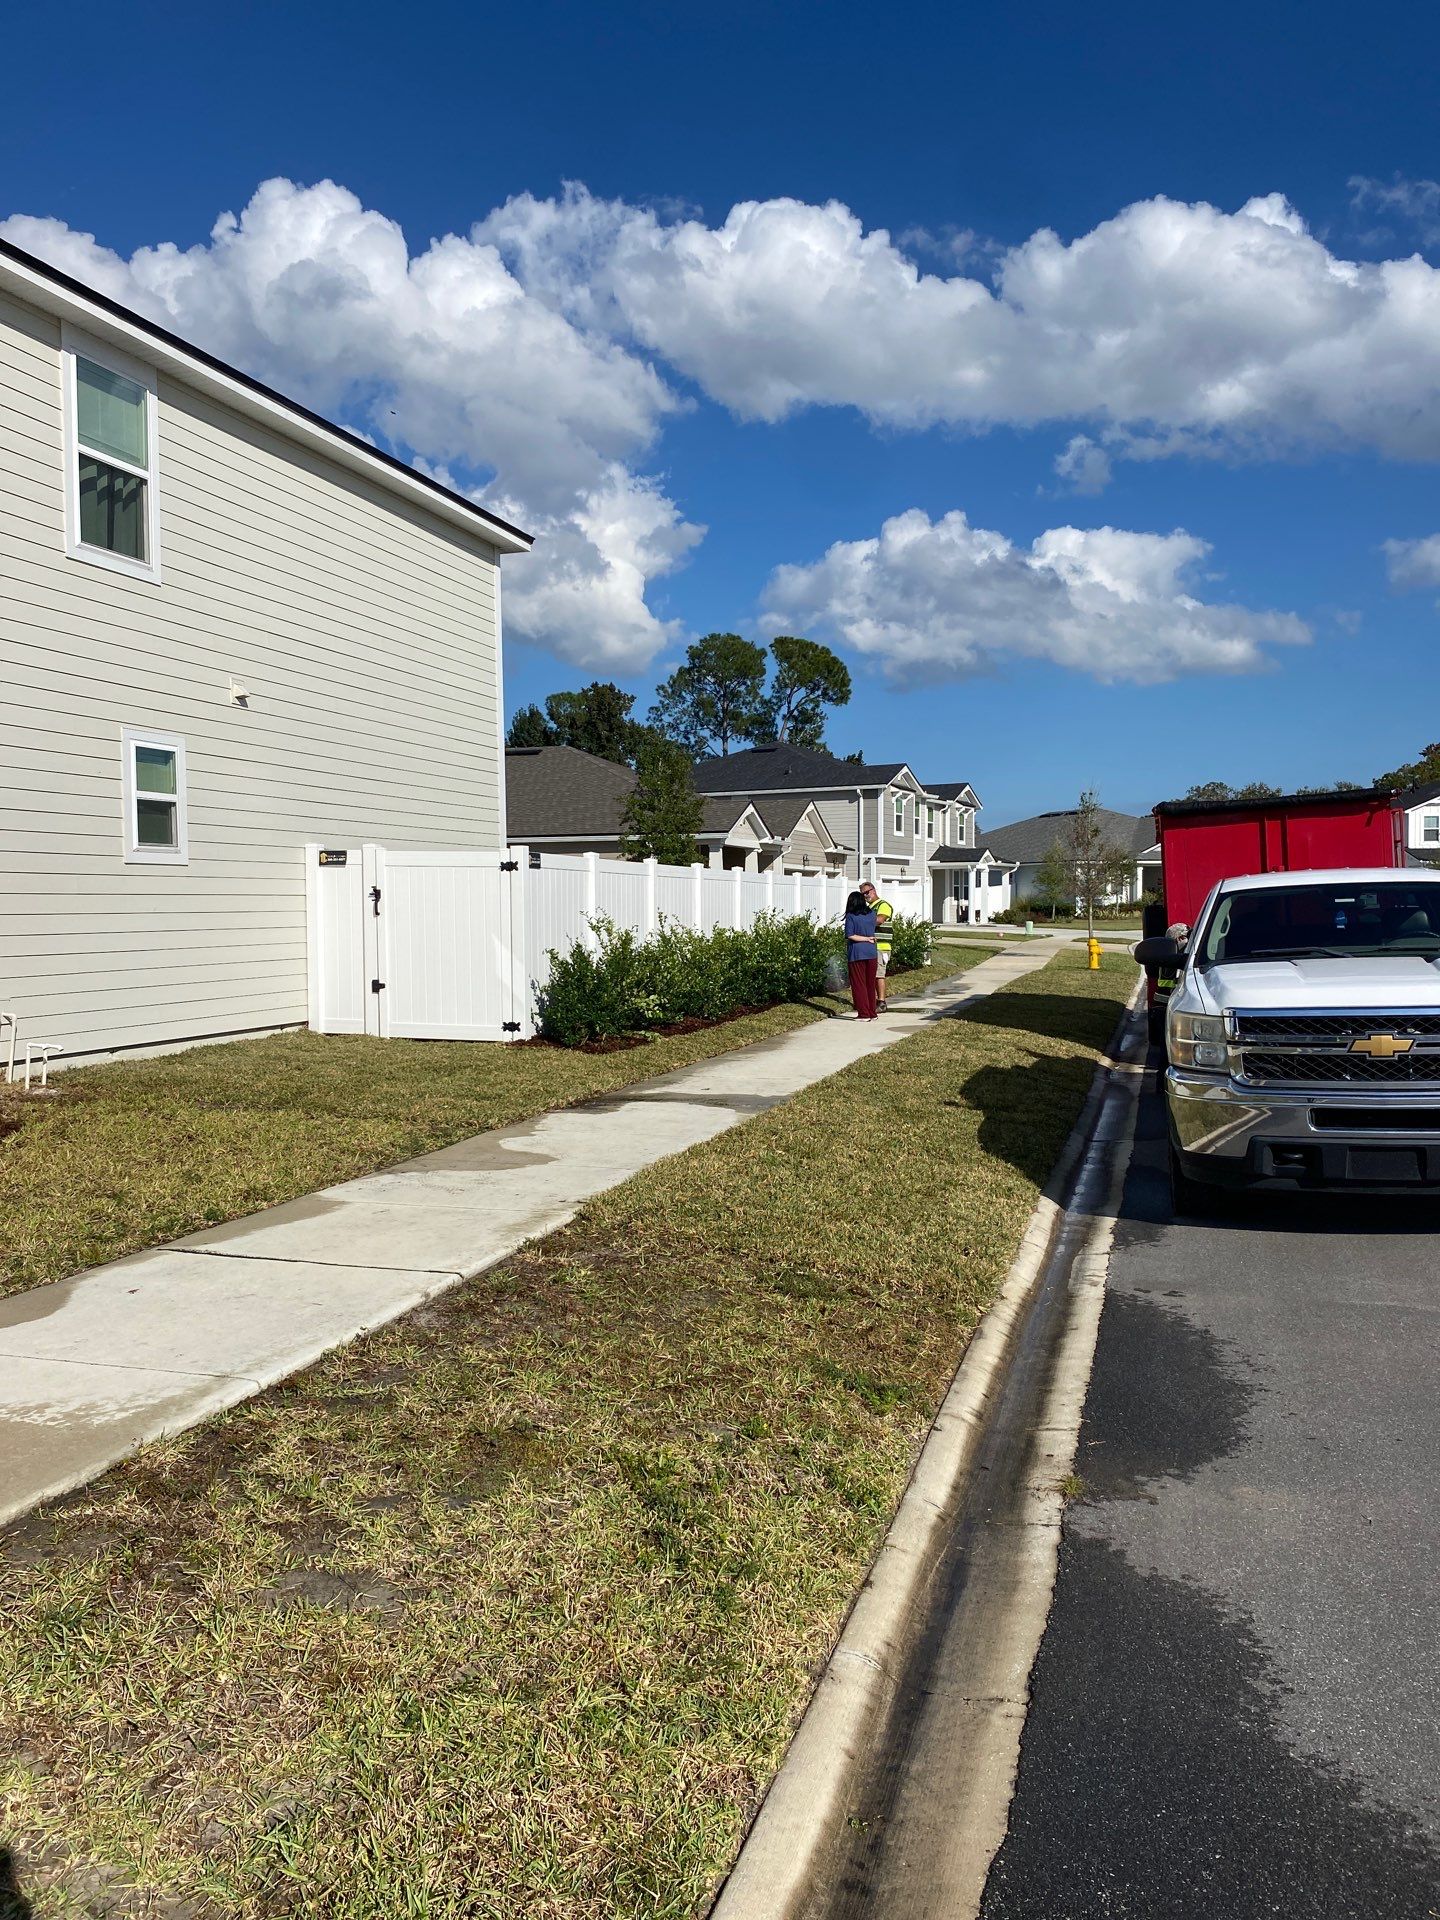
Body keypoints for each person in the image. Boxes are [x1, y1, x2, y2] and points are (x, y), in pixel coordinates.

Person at [843, 889, 880, 1020]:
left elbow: (850, 935)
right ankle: (872, 1013)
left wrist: (865, 938)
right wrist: (869, 939)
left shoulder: (851, 916)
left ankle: (863, 1014)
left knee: (859, 984)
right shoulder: (872, 914)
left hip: (857, 953)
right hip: (872, 953)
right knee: (870, 984)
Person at [861, 881, 895, 1012]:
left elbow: (879, 920)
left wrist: (861, 921)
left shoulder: (883, 905)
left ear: (873, 890)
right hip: (871, 945)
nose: (865, 896)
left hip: (882, 946)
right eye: (863, 894)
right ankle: (872, 1000)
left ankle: (881, 1002)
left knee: (879, 974)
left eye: (867, 892)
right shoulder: (869, 908)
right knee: (871, 974)